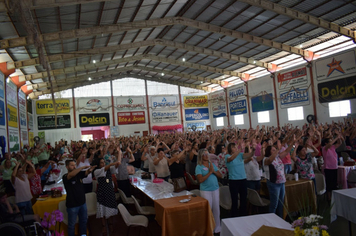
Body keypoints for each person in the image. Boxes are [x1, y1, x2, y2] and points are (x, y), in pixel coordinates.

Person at [63, 159, 96, 236]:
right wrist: (81, 167)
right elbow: (71, 175)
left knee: (83, 222)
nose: (74, 166)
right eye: (72, 165)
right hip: (72, 205)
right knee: (71, 225)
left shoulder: (78, 174)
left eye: (75, 165)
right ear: (67, 167)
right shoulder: (65, 177)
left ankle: (83, 234)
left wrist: (90, 170)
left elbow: (86, 172)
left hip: (82, 203)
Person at [263, 139, 293, 218]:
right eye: (273, 150)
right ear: (269, 152)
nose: (275, 151)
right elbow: (270, 160)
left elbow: (286, 151)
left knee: (281, 203)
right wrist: (278, 149)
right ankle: (271, 220)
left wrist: (293, 143)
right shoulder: (265, 159)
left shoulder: (278, 157)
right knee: (274, 204)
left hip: (281, 182)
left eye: (275, 150)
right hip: (274, 183)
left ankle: (280, 218)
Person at [93, 149, 121, 234]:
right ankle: (104, 226)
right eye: (101, 163)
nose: (103, 164)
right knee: (102, 210)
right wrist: (112, 163)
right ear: (98, 164)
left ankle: (111, 224)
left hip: (110, 192)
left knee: (111, 209)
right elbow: (106, 168)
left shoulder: (108, 169)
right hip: (102, 193)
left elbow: (116, 165)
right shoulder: (97, 171)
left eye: (104, 162)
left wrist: (119, 154)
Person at [195, 149, 222, 235]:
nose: (207, 156)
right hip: (206, 191)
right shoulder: (198, 167)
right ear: (201, 156)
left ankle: (217, 228)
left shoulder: (212, 164)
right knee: (208, 210)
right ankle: (208, 228)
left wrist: (213, 170)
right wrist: (210, 172)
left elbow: (220, 175)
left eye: (207, 154)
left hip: (215, 189)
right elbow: (200, 180)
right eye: (205, 154)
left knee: (216, 209)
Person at [225, 142, 255, 217]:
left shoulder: (240, 155)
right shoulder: (227, 156)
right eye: (234, 147)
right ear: (230, 149)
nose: (236, 148)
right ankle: (234, 216)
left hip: (243, 179)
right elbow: (231, 159)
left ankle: (243, 215)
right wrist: (240, 149)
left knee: (243, 199)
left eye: (236, 146)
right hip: (233, 180)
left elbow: (250, 155)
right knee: (234, 200)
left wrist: (253, 149)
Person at [322, 134, 342, 201]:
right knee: (329, 184)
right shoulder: (325, 148)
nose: (332, 142)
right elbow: (330, 144)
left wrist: (339, 137)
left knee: (334, 184)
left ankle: (334, 198)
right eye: (330, 141)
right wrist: (336, 138)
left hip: (334, 167)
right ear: (326, 143)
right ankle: (329, 199)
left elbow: (340, 143)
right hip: (328, 168)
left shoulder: (333, 147)